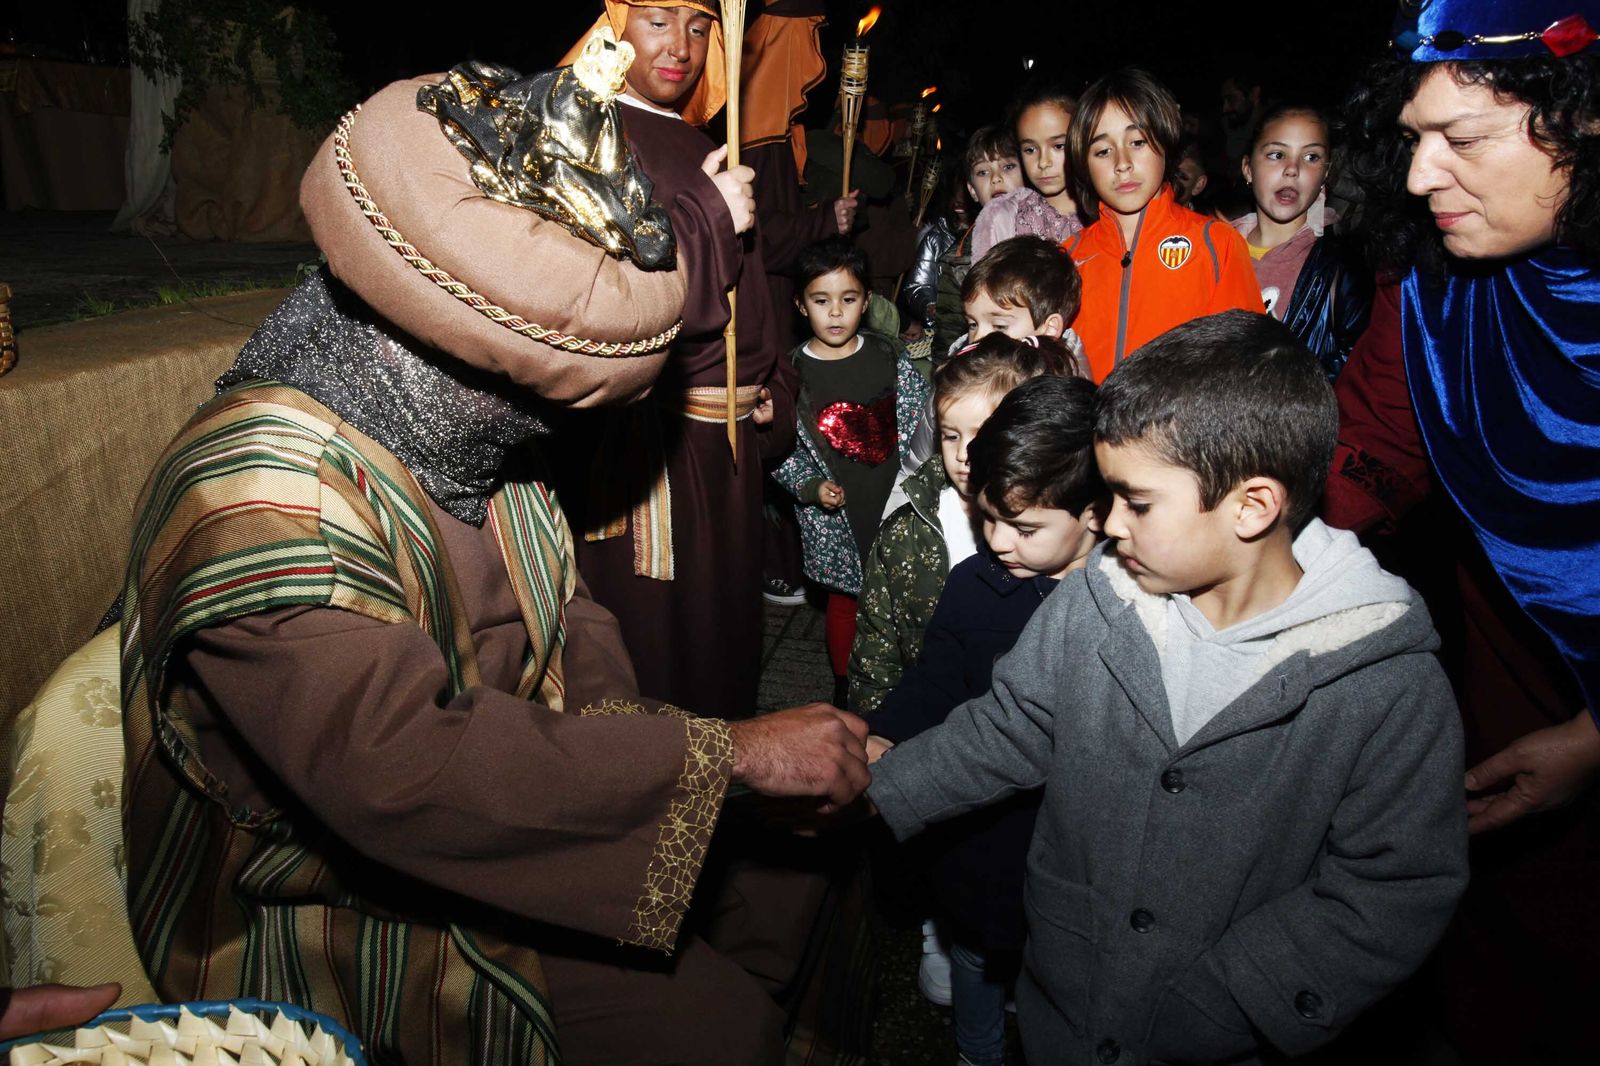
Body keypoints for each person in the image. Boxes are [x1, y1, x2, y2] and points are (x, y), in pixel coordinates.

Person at [116, 49, 870, 1066]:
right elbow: (402, 773)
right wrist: (727, 760)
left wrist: (705, 769)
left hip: (511, 799)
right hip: (318, 896)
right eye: (546, 400)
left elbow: (573, 630)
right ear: (460, 360)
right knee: (714, 1031)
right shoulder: (256, 497)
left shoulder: (463, 438)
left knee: (795, 866)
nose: (549, 427)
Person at [868, 310, 1468, 1064]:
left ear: (1252, 506)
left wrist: (1236, 999)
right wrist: (878, 788)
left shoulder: (1387, 688)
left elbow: (1393, 886)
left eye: (1136, 502)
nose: (1108, 523)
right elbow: (1009, 727)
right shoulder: (1095, 604)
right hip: (1068, 1013)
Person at [1331, 4, 1600, 1059]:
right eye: (1412, 137)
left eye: (1466, 139)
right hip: (1495, 725)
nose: (1415, 178)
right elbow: (1360, 459)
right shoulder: (1436, 292)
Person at [557, 0, 796, 722]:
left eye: (700, 26)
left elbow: (751, 293)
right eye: (658, 20)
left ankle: (725, 797)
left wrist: (775, 391)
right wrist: (710, 213)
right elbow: (612, 300)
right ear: (614, 25)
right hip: (656, 456)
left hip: (730, 448)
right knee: (662, 663)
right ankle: (651, 814)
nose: (681, 46)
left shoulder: (704, 141)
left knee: (725, 650)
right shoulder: (586, 132)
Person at [864, 374, 1103, 1066]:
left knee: (1060, 982)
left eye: (1024, 527)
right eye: (988, 516)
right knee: (973, 954)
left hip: (1067, 845)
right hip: (980, 835)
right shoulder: (974, 583)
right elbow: (935, 676)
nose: (997, 540)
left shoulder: (1124, 605)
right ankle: (976, 1053)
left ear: (1093, 512)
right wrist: (884, 734)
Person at [772, 238, 931, 706]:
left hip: (894, 501)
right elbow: (783, 449)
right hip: (839, 516)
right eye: (822, 301)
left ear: (867, 300)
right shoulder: (793, 373)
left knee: (902, 592)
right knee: (846, 602)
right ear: (801, 305)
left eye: (849, 299)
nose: (836, 313)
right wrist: (809, 486)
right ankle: (845, 682)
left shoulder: (886, 354)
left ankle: (903, 673)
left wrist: (925, 471)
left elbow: (922, 414)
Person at [1065, 67, 1264, 381]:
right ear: (1084, 165)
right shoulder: (1067, 257)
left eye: (1139, 142)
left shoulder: (1216, 245)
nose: (1122, 164)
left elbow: (1246, 368)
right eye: (1103, 151)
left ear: (1166, 141)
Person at [885, 235, 1084, 518]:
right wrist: (891, 526)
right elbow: (914, 465)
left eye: (999, 324)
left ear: (1049, 327)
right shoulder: (957, 379)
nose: (977, 338)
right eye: (972, 324)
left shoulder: (1071, 397)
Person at [1233, 103, 1373, 379]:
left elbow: (1358, 377)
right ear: (1248, 169)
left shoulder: (1344, 267)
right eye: (1276, 154)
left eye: (1311, 157)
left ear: (1325, 175)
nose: (1292, 169)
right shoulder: (1213, 252)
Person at [920, 126, 1027, 354]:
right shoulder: (958, 259)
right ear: (972, 191)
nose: (996, 178)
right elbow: (948, 332)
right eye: (983, 172)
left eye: (1008, 167)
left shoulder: (1048, 235)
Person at [970, 84, 1084, 259]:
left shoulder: (1104, 212)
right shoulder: (1006, 220)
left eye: (1058, 146)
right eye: (1030, 149)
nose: (1043, 162)